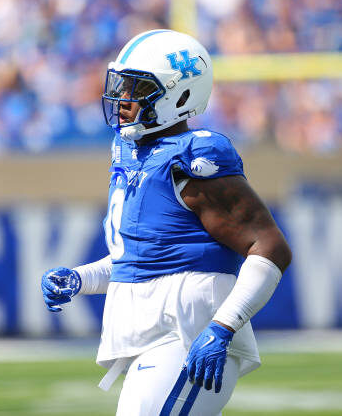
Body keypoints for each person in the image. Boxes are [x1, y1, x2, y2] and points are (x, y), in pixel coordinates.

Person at [41, 29, 291, 415]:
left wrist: (223, 327)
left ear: (180, 94)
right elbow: (145, 260)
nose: (123, 99)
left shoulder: (196, 154)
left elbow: (270, 247)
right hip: (158, 334)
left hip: (188, 334)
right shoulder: (132, 152)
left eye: (137, 89)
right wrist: (81, 279)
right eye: (122, 86)